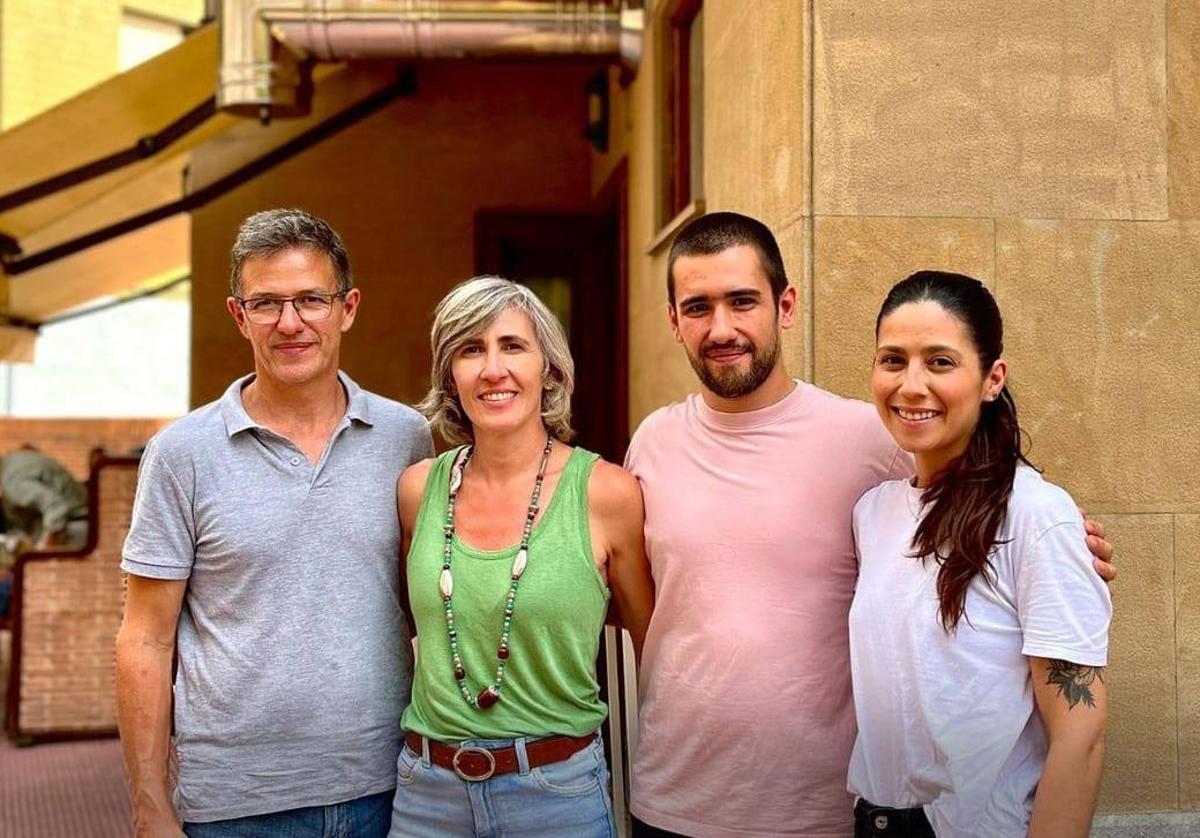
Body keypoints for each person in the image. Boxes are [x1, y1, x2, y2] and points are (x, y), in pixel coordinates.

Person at [623, 212, 1115, 837]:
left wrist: (1068, 544)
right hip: (680, 801)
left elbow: (986, 491)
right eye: (698, 307)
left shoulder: (870, 439)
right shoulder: (655, 444)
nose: (722, 327)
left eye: (743, 300)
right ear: (673, 320)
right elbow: (641, 599)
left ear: (786, 304)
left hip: (823, 816)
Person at [115, 208, 432, 837]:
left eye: (311, 299)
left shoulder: (407, 438)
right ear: (239, 315)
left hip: (393, 787)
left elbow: (425, 603)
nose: (290, 323)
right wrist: (149, 802)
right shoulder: (181, 454)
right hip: (238, 806)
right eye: (266, 303)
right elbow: (144, 640)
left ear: (348, 308)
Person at [390, 276, 654, 837]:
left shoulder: (608, 493)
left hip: (557, 796)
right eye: (470, 349)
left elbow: (650, 648)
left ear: (548, 369)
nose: (492, 368)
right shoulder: (417, 490)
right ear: (449, 375)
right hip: (426, 796)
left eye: (512, 346)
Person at [848, 271, 1110, 837]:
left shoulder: (1035, 515)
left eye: (940, 362)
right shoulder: (871, 514)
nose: (911, 385)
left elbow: (1080, 732)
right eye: (892, 360)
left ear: (992, 379)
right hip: (875, 822)